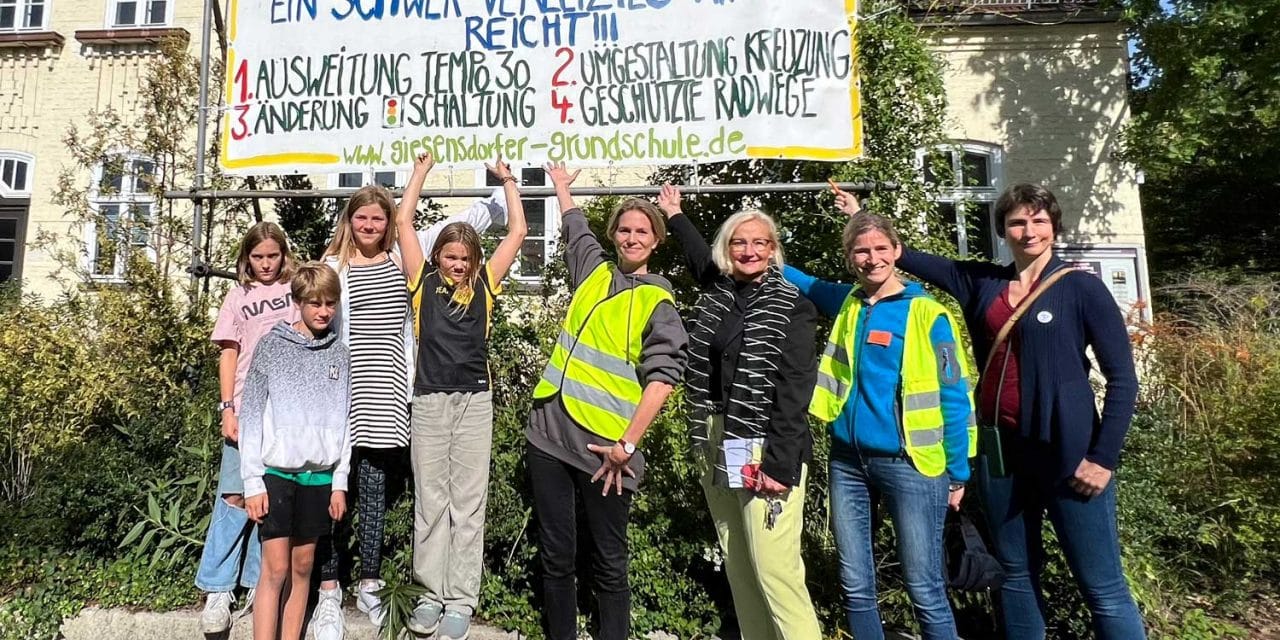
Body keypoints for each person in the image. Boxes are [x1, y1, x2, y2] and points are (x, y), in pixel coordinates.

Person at [843, 184, 1145, 639]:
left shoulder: (1081, 288)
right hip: (1001, 456)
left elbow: (1124, 380)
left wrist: (1103, 459)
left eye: (1038, 221)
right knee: (1015, 576)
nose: (1028, 232)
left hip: (1070, 454)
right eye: (1018, 222)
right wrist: (862, 214)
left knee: (1101, 585)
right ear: (1003, 229)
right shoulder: (983, 284)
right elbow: (908, 257)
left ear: (1054, 227)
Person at [313, 178, 508, 638]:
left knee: (377, 487)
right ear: (349, 220)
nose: (369, 224)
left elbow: (460, 230)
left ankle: (371, 581)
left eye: (377, 217)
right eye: (361, 216)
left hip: (392, 391)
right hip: (340, 387)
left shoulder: (407, 257)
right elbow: (311, 315)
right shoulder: (331, 264)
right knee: (331, 484)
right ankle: (327, 589)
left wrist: (504, 190)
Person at [784, 206, 974, 640]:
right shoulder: (850, 303)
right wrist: (768, 254)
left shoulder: (929, 315)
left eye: (880, 248)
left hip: (912, 465)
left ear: (897, 250)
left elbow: (954, 395)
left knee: (924, 587)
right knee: (855, 584)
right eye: (861, 251)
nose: (872, 259)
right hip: (847, 461)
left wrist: (958, 472)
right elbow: (809, 284)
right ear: (850, 257)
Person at [525, 163, 687, 640]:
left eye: (642, 231)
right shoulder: (594, 272)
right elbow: (575, 228)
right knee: (556, 555)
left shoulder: (659, 302)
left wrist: (627, 446)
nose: (632, 237)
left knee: (609, 560)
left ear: (656, 240)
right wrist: (560, 186)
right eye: (625, 229)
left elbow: (663, 380)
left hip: (608, 454)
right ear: (614, 234)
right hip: (549, 435)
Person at [656, 185, 823, 640]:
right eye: (739, 242)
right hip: (721, 437)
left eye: (759, 242)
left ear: (773, 250)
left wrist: (780, 465)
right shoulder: (722, 292)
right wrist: (674, 214)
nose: (749, 251)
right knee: (739, 558)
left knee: (774, 566)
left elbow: (795, 392)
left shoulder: (793, 306)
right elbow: (697, 259)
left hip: (767, 444)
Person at [393, 153, 527, 640]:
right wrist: (420, 174)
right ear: (437, 258)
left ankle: (460, 600)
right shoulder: (420, 283)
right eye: (449, 256)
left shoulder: (486, 286)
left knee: (467, 504)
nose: (456, 264)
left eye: (464, 258)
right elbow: (404, 221)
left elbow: (516, 233)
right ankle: (430, 593)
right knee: (431, 501)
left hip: (474, 401)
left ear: (473, 262)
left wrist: (508, 181)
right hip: (428, 399)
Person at [239, 263, 352, 640]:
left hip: (318, 475)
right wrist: (253, 481)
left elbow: (344, 419)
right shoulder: (272, 347)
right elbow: (251, 415)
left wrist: (339, 481)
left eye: (330, 304)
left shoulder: (339, 352)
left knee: (303, 567)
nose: (323, 311)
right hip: (277, 475)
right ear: (298, 302)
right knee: (275, 570)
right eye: (315, 303)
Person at [197, 222, 299, 634]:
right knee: (235, 497)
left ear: (283, 255)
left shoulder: (296, 291)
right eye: (258, 257)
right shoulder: (238, 297)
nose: (266, 264)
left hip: (286, 414)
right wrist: (227, 408)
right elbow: (228, 354)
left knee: (271, 502)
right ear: (247, 259)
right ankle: (218, 588)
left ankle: (261, 586)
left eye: (273, 256)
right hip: (246, 410)